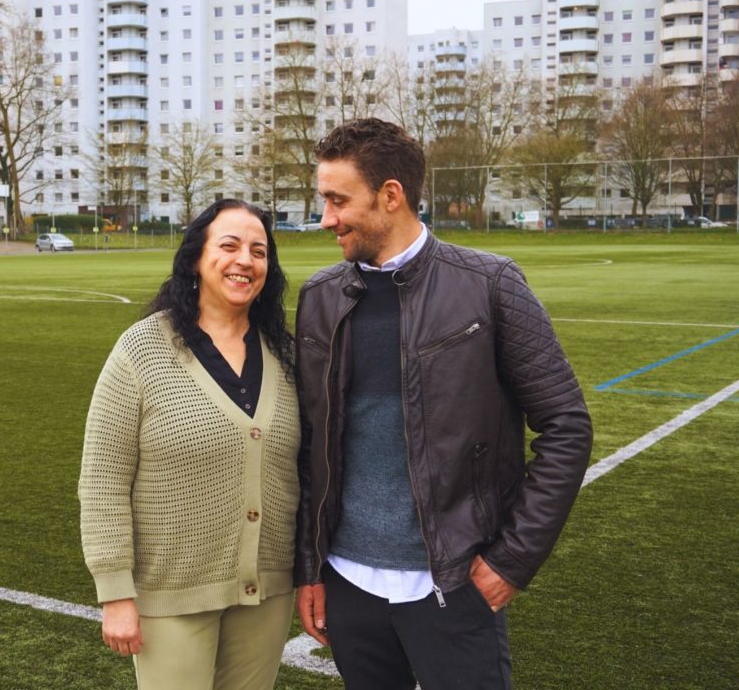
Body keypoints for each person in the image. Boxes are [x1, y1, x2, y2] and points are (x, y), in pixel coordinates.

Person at [293, 119, 593, 690]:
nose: (326, 218)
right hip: (348, 587)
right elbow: (312, 443)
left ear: (390, 195)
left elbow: (566, 426)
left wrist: (511, 561)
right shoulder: (320, 297)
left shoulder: (490, 283)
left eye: (337, 200)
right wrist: (312, 568)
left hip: (452, 585)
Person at [79, 199, 300, 690]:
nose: (246, 260)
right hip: (170, 592)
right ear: (196, 258)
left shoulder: (286, 354)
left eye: (259, 251)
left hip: (267, 590)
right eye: (229, 246)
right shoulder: (143, 350)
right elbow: (102, 478)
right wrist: (115, 592)